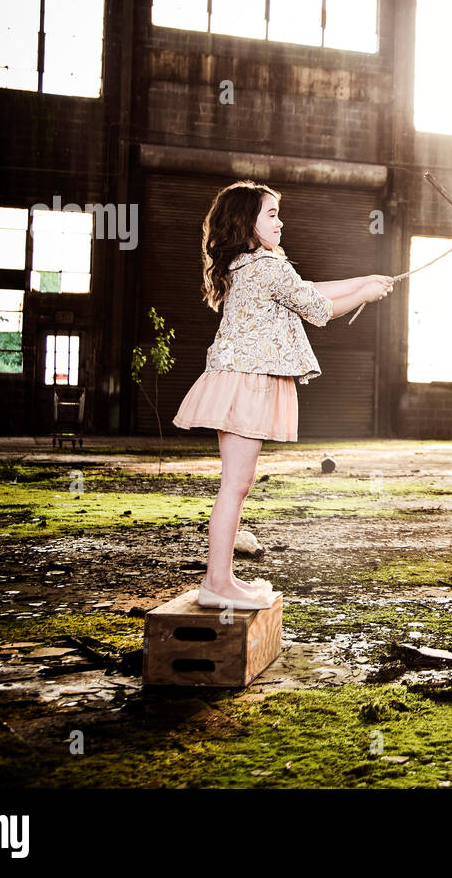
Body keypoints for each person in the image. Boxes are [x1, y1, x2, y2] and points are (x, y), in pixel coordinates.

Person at [172, 180, 393, 610]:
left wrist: (363, 279)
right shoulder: (269, 266)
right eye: (271, 214)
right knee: (235, 484)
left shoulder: (247, 263)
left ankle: (221, 578)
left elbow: (304, 288)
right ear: (247, 222)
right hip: (249, 379)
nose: (281, 222)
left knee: (237, 483)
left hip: (237, 377)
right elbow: (318, 309)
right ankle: (217, 582)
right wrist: (365, 294)